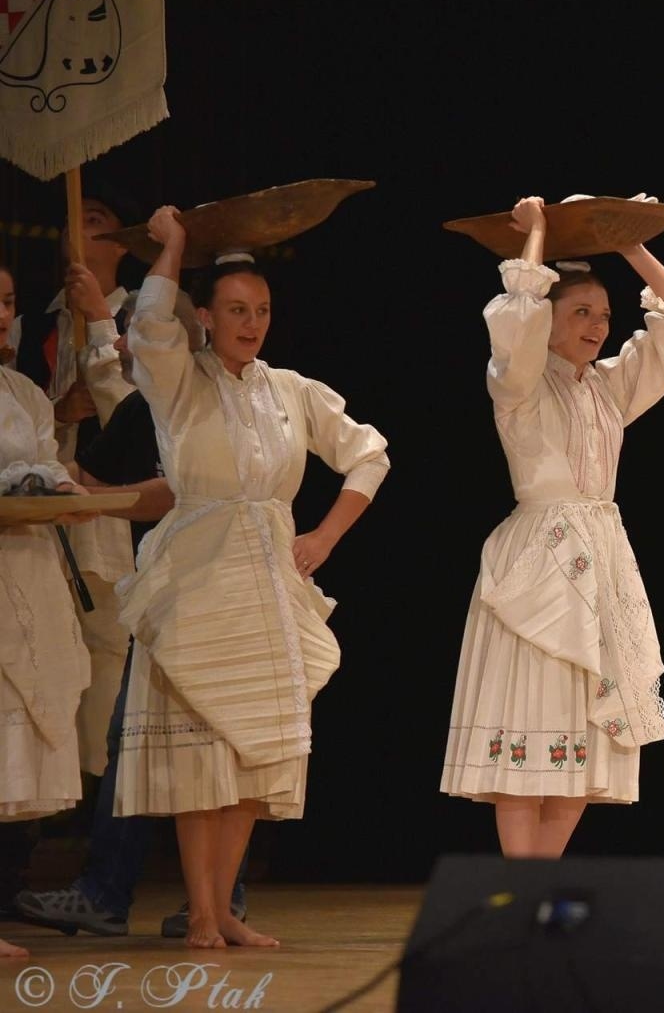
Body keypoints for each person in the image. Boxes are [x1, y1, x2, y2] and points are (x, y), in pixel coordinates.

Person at [114, 206, 390, 948]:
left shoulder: (291, 389)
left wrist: (325, 535)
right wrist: (174, 246)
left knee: (254, 751)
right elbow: (151, 328)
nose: (252, 323)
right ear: (204, 316)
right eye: (235, 309)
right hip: (198, 575)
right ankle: (201, 911)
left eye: (262, 310)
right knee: (203, 750)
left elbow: (370, 455)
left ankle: (224, 910)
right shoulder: (179, 380)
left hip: (268, 578)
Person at [440, 195, 664, 858]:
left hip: (600, 564)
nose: (597, 326)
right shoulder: (519, 386)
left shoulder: (609, 387)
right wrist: (533, 238)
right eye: (581, 312)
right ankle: (521, 881)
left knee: (585, 741)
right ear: (551, 317)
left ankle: (539, 880)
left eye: (605, 315)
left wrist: (628, 244)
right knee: (529, 727)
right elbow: (517, 326)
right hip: (539, 566)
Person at [14, 280, 245, 939]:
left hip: (219, 588)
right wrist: (48, 463)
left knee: (219, 742)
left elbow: (173, 491)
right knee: (136, 739)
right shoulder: (149, 403)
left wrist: (93, 498)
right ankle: (114, 893)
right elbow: (94, 479)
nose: (125, 344)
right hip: (164, 592)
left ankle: (217, 899)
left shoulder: (216, 398)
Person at [1, 274, 97, 956]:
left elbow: (46, 464)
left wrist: (60, 487)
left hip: (27, 563)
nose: (0, 313)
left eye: (7, 301)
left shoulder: (25, 393)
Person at [44, 184, 146, 781]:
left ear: (121, 242)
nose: (81, 228)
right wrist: (58, 412)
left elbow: (152, 421)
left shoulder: (148, 320)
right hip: (46, 509)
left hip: (115, 508)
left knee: (107, 641)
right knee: (49, 646)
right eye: (73, 220)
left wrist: (101, 328)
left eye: (96, 218)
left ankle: (99, 785)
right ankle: (52, 790)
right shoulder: (33, 324)